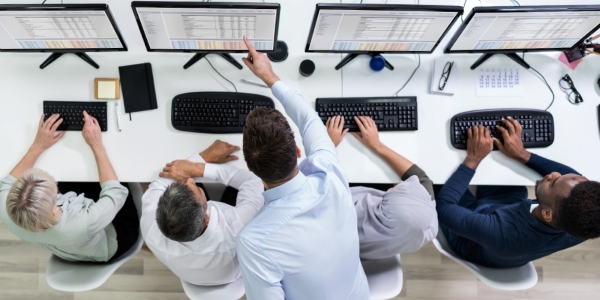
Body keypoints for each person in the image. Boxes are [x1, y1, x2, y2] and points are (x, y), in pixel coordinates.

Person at [235, 36, 370, 299]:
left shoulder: (254, 242)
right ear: (298, 152)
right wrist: (270, 77)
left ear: (251, 169)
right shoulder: (329, 171)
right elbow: (309, 120)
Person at [437, 119, 600, 268]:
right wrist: (522, 154)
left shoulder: (502, 233)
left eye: (553, 183)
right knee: (499, 166)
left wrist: (473, 159)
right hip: (506, 211)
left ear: (547, 214)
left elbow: (444, 208)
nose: (553, 174)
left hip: (471, 239)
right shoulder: (585, 222)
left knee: (437, 174)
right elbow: (575, 182)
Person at [0, 112, 139, 262]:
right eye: (55, 189)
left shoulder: (6, 210)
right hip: (114, 238)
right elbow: (116, 193)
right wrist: (96, 144)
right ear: (55, 207)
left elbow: (7, 182)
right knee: (120, 175)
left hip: (71, 246)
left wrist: (38, 146)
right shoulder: (81, 223)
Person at [140, 140, 263, 286]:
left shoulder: (150, 227)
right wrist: (198, 166)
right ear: (205, 217)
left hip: (193, 275)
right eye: (197, 189)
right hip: (233, 274)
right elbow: (253, 181)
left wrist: (201, 159)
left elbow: (159, 183)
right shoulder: (238, 229)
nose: (190, 180)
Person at [326, 115, 438, 259]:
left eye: (400, 189)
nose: (401, 182)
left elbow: (317, 181)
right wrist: (376, 145)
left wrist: (328, 146)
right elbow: (423, 180)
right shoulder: (428, 230)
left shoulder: (338, 210)